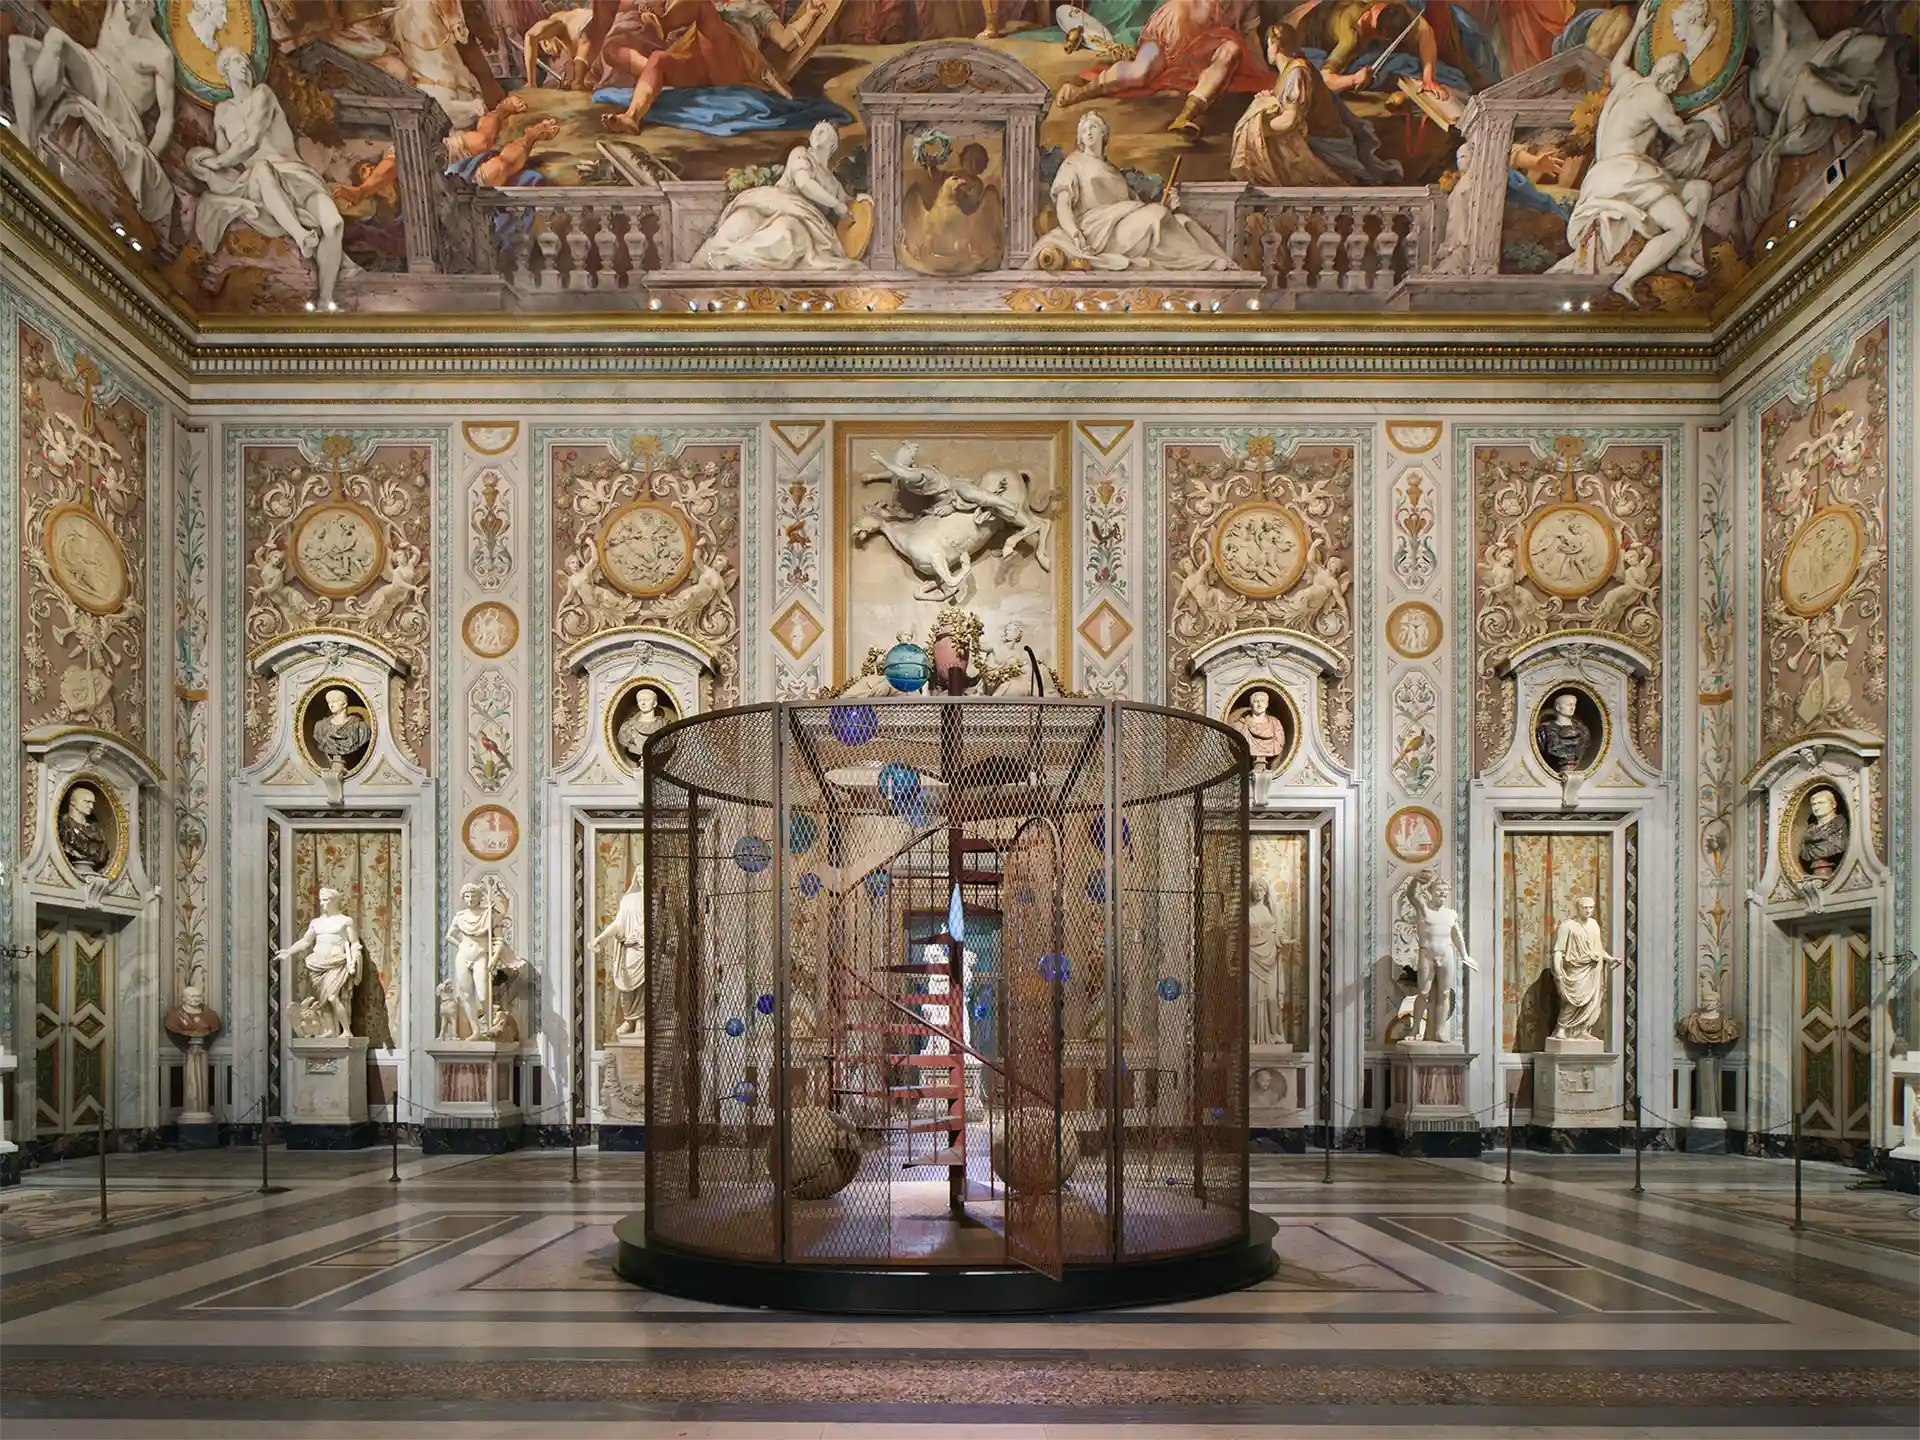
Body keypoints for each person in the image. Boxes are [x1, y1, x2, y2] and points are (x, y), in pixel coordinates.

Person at [1551, 0, 1724, 306]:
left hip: (1600, 178)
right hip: (1630, 177)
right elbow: (1681, 135)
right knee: (1681, 224)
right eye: (1678, 82)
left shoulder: (1627, 81)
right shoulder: (1657, 99)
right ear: (1671, 81)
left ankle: (1680, 256)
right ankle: (1628, 280)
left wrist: (1639, 27)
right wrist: (1706, 120)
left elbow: (1617, 63)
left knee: (1700, 189)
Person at [187, 49, 352, 312]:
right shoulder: (221, 113)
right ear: (224, 72)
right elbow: (224, 156)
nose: (243, 67)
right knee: (262, 169)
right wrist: (204, 163)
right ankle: (301, 236)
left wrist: (218, 162)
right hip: (259, 180)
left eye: (246, 63)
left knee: (334, 224)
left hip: (297, 175)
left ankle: (325, 302)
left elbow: (250, 141)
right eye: (236, 63)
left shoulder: (262, 94)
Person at [7, 0, 177, 226]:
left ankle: (26, 138)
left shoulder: (160, 55)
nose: (124, 7)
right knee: (17, 45)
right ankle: (27, 132)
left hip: (121, 109)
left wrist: (148, 157)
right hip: (88, 71)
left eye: (129, 4)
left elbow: (166, 118)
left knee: (57, 39)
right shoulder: (114, 9)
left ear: (146, 3)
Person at [1039, 113, 1232, 271]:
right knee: (1157, 215)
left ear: (1104, 134)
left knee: (1183, 221)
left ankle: (1225, 264)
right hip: (1097, 232)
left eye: (1093, 127)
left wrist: (1167, 205)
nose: (1088, 132)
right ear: (1079, 138)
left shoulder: (1113, 171)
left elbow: (1135, 208)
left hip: (1121, 224)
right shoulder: (1073, 164)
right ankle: (1206, 263)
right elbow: (1063, 206)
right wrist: (1075, 234)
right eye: (1084, 130)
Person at [1056, 0, 1270, 138]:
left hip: (1208, 44)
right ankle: (1081, 92)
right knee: (1140, 72)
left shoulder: (1249, 2)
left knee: (1232, 50)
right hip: (1171, 29)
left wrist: (1264, 78)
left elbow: (1249, 35)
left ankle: (1186, 115)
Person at [1232, 22, 1402, 186]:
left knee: (1269, 147)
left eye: (1268, 45)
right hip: (1313, 138)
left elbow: (1289, 121)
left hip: (1325, 144)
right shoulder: (1290, 71)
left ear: (1275, 46)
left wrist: (1256, 129)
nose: (1267, 50)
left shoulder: (1297, 72)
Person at [597, 0, 791, 134]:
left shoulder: (756, 6)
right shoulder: (716, 3)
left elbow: (785, 40)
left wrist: (813, 13)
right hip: (701, 62)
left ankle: (662, 25)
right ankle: (632, 117)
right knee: (659, 60)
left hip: (731, 64)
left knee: (700, 4)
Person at [692, 120, 865, 270]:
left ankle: (734, 257)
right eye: (815, 130)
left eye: (823, 131)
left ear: (833, 144)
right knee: (744, 218)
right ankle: (702, 261)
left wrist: (863, 201)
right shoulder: (801, 154)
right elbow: (803, 183)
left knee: (787, 230)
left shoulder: (832, 183)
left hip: (804, 220)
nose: (817, 133)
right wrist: (835, 204)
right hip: (775, 200)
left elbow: (848, 204)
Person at [1282, 0, 1480, 97]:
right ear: (1381, 36)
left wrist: (1429, 78)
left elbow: (1424, 31)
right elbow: (1326, 79)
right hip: (1307, 32)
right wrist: (1354, 80)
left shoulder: (1391, 7)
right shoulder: (1350, 36)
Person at [275, 887, 366, 1039]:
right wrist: (288, 951)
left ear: (335, 901)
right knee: (322, 1000)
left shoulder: (345, 921)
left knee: (331, 997)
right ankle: (330, 1030)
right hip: (317, 964)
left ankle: (347, 1031)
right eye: (321, 900)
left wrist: (356, 955)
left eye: (326, 900)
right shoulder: (316, 923)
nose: (323, 904)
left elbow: (354, 942)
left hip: (336, 962)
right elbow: (305, 942)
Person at [1409, 871, 1475, 1045]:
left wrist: (1465, 955)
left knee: (1445, 994)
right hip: (1427, 953)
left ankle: (1440, 1030)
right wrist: (1415, 880)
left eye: (1445, 891)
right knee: (1423, 993)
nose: (1443, 894)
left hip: (1446, 953)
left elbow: (1457, 936)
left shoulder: (1451, 914)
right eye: (1439, 890)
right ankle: (1415, 1028)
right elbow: (1412, 895)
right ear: (1431, 891)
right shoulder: (1423, 908)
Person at [443, 96, 561, 188]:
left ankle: (501, 110)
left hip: (435, 156)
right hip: (451, 186)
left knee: (481, 140)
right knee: (499, 167)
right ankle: (530, 136)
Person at [1548, 895, 1618, 1044]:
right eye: (1585, 907)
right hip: (1575, 969)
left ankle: (1582, 1030)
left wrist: (1610, 959)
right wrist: (1558, 972)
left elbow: (1598, 949)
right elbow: (1558, 950)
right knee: (1573, 1000)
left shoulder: (1594, 925)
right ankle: (1562, 1028)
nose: (1588, 910)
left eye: (1591, 907)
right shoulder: (1567, 926)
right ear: (1578, 908)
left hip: (1592, 970)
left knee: (1590, 1002)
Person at [592, 863, 648, 1038]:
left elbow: (659, 929)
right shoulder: (629, 900)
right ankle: (629, 1019)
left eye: (644, 874)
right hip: (629, 952)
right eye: (638, 874)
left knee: (644, 988)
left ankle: (641, 1021)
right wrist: (600, 938)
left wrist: (640, 939)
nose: (641, 877)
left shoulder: (655, 899)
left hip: (646, 952)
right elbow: (618, 924)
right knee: (625, 987)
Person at [1248, 874, 1288, 1047]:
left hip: (1270, 959)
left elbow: (1279, 933)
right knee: (1251, 997)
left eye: (1261, 889)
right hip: (1251, 958)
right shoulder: (1247, 911)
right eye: (1255, 889)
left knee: (1271, 997)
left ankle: (1274, 1034)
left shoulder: (1272, 910)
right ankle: (1251, 1036)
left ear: (1265, 892)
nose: (1258, 892)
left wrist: (1284, 940)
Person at [311, 687, 374, 771]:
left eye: (334, 702)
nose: (331, 705)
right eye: (329, 702)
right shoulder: (321, 727)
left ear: (344, 704)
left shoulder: (360, 727)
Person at [1798, 785, 1848, 879]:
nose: (1816, 807)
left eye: (1821, 803)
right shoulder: (1808, 832)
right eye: (1814, 804)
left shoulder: (1841, 826)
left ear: (1833, 805)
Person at [1534, 690, 1590, 774]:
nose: (1572, 708)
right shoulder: (1545, 730)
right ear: (1558, 708)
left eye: (1574, 705)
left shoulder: (1582, 730)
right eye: (1569, 705)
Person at [57, 785, 110, 873]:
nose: (91, 806)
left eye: (92, 803)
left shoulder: (97, 830)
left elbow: (102, 853)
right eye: (87, 802)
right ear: (73, 802)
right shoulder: (63, 826)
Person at [1235, 689, 1289, 770]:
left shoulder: (1276, 724)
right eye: (1256, 701)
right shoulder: (1241, 725)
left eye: (1262, 701)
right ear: (1251, 705)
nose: (1259, 704)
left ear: (1267, 704)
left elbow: (1279, 741)